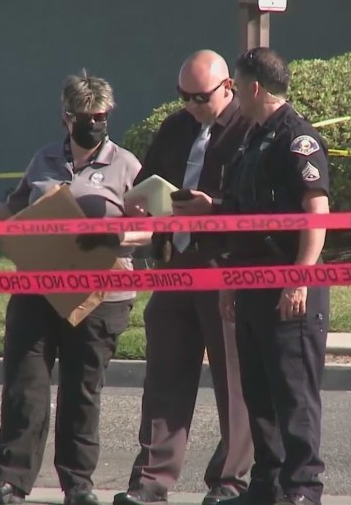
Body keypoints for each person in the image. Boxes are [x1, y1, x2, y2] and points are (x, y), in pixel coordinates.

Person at [0, 71, 151, 505]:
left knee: (82, 391)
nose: (95, 124)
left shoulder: (127, 165)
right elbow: (15, 210)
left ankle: (78, 483)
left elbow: (151, 229)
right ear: (67, 117)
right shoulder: (43, 159)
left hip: (100, 294)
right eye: (86, 116)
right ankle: (10, 479)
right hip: (38, 286)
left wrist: (111, 238)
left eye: (102, 116)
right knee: (25, 384)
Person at [113, 49, 255, 505]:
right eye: (184, 96)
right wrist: (138, 203)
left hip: (224, 264)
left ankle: (230, 482)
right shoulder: (175, 128)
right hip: (175, 263)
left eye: (201, 97)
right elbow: (150, 181)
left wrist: (212, 208)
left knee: (234, 379)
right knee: (165, 376)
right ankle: (150, 482)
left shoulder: (249, 129)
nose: (192, 105)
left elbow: (257, 203)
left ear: (228, 87)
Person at [217, 47, 332, 505]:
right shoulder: (251, 140)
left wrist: (300, 278)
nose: (235, 98)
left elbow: (316, 214)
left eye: (236, 88)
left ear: (255, 87)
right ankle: (268, 486)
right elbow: (242, 219)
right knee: (259, 392)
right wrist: (229, 281)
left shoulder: (297, 140)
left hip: (289, 288)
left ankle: (302, 489)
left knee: (294, 394)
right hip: (251, 284)